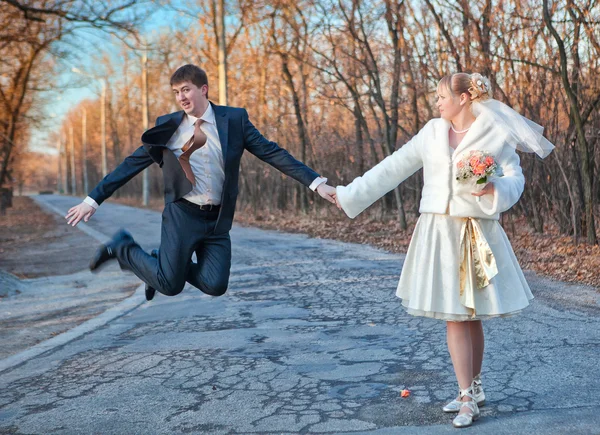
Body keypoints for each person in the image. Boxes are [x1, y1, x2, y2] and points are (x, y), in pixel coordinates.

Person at [325, 72, 554, 428]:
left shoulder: (495, 132)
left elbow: (515, 177)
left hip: (476, 231)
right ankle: (470, 390)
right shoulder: (431, 132)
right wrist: (349, 194)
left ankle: (468, 395)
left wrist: (493, 187)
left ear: (464, 97)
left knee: (467, 315)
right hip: (438, 232)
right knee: (457, 315)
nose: (437, 101)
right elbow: (393, 168)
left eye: (442, 95)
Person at [66, 64, 336, 301]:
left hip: (217, 219)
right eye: (176, 92)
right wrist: (93, 200)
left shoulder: (234, 121)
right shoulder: (168, 128)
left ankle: (160, 263)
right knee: (169, 286)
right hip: (182, 214)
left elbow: (272, 152)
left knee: (215, 284)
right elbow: (131, 163)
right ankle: (123, 248)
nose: (180, 97)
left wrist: (316, 183)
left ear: (203, 89)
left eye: (185, 89)